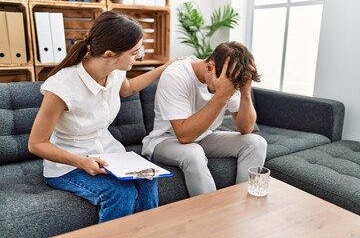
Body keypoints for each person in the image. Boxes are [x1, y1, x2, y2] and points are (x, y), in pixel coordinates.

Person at [28, 11, 176, 222]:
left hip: (107, 152)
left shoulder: (115, 71)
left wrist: (166, 67)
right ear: (109, 54)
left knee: (147, 179)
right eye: (134, 52)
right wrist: (82, 162)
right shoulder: (61, 87)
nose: (139, 56)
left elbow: (128, 89)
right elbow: (36, 144)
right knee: (120, 194)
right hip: (69, 163)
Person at [142, 41, 267, 197]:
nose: (231, 91)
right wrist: (222, 96)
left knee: (256, 143)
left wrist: (246, 92)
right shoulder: (176, 75)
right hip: (165, 141)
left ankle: (242, 206)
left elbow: (246, 128)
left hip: (204, 136)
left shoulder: (229, 79)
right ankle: (212, 216)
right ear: (210, 68)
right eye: (230, 87)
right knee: (193, 152)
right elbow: (184, 135)